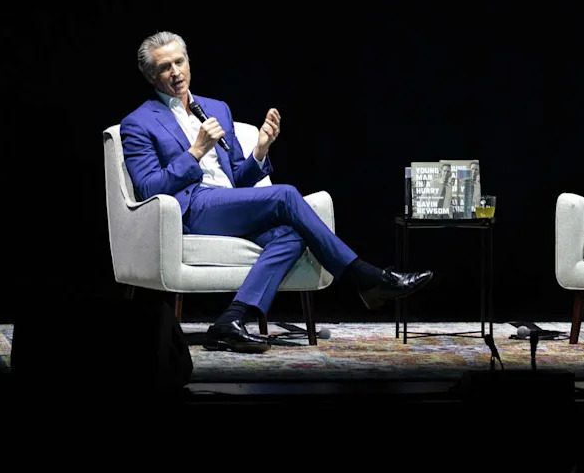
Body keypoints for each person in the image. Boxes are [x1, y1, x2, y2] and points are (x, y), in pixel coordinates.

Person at [120, 31, 434, 353]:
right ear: (150, 75)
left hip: (228, 204)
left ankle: (231, 320)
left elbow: (238, 182)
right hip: (193, 209)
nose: (175, 72)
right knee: (285, 196)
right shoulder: (139, 123)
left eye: (179, 61)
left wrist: (259, 151)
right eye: (164, 67)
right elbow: (148, 187)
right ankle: (365, 277)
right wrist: (195, 152)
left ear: (188, 62)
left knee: (293, 235)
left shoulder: (216, 108)